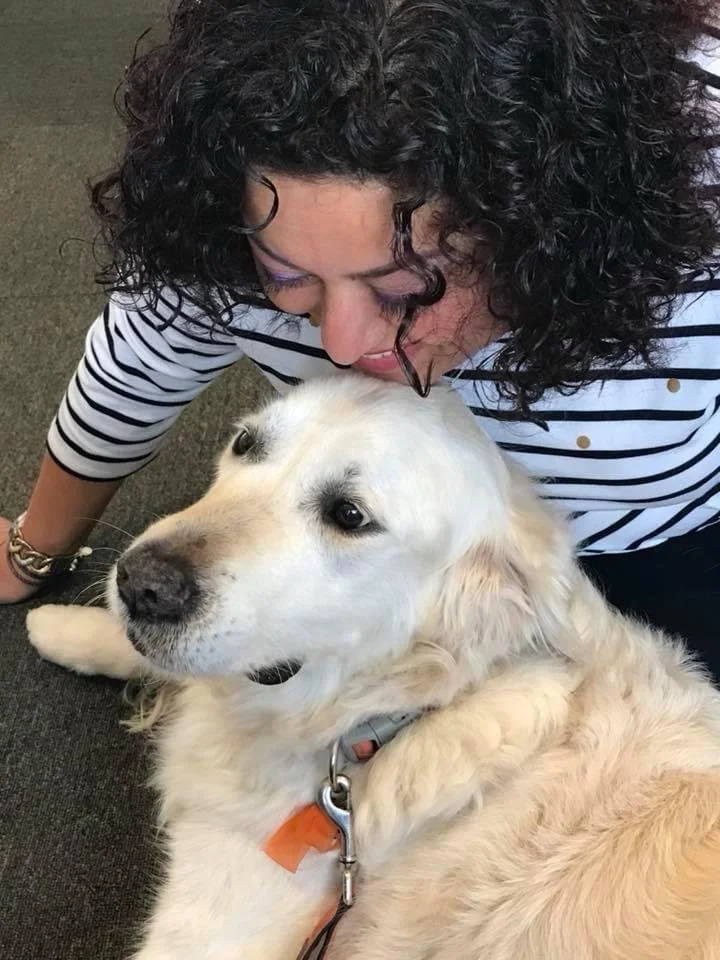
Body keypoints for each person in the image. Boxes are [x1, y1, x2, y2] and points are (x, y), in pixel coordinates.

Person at [3, 0, 720, 675]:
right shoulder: (222, 225)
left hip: (645, 545)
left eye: (404, 289)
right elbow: (134, 370)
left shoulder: (696, 206)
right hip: (365, 555)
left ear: (542, 236)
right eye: (285, 274)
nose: (342, 346)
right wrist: (35, 547)